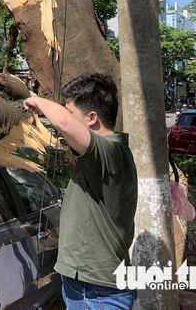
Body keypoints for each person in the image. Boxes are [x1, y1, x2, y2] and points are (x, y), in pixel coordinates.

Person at [23, 73, 138, 309]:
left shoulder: (108, 153)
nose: (66, 119)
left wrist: (37, 101)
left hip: (94, 289)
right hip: (93, 285)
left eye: (71, 112)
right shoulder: (109, 155)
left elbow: (63, 123)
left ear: (91, 118)